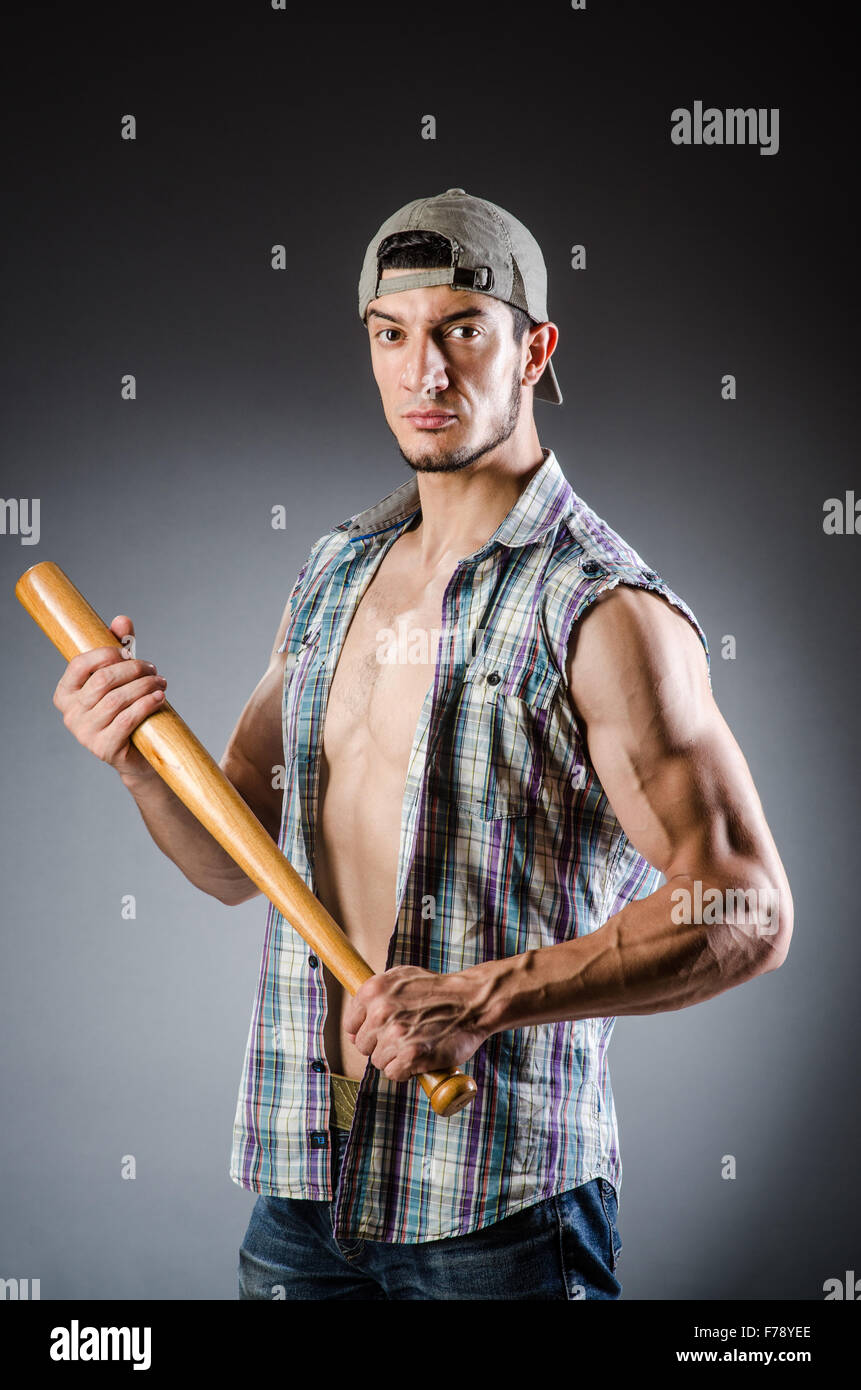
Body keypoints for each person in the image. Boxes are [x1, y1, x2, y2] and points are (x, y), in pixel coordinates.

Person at [52, 188, 793, 1301]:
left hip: (498, 1206)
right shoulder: (334, 572)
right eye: (392, 336)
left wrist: (486, 996)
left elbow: (747, 909)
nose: (424, 373)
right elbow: (229, 863)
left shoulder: (602, 609)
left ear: (535, 348)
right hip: (307, 1181)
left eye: (462, 330)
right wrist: (137, 768)